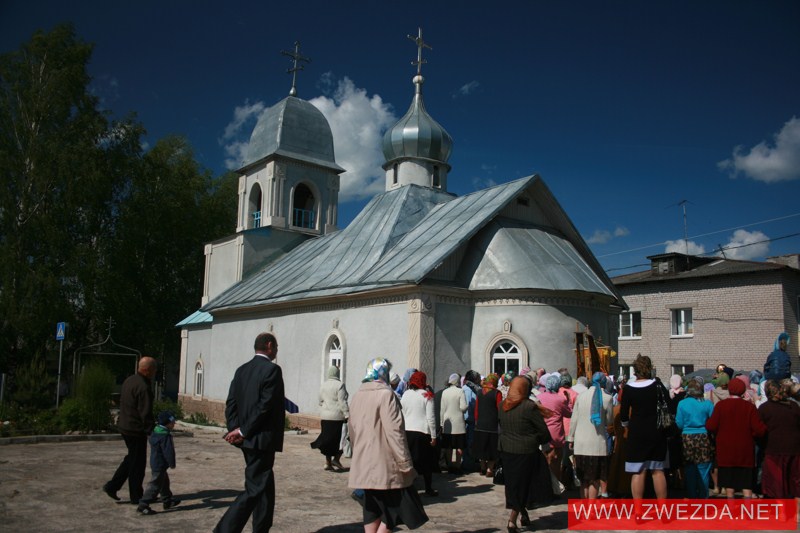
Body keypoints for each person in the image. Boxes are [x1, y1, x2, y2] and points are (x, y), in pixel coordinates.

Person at [214, 333, 285, 533]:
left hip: (247, 440)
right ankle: (225, 529)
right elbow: (265, 406)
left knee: (265, 485)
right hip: (261, 439)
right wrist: (243, 431)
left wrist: (235, 429)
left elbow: (231, 403)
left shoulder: (241, 370)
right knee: (255, 488)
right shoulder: (272, 370)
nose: (277, 350)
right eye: (276, 346)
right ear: (269, 346)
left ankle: (262, 527)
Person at [348, 358, 428, 532]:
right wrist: (405, 463)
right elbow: (395, 432)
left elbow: (351, 431)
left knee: (371, 508)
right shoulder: (386, 394)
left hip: (364, 462)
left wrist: (357, 454)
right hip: (385, 463)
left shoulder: (358, 395)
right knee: (393, 511)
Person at [498, 377, 553, 532]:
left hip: (507, 450)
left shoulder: (502, 405)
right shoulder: (529, 407)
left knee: (513, 484)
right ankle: (512, 519)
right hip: (526, 451)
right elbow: (542, 430)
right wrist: (542, 442)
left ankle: (523, 513)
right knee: (523, 485)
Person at [103, 356, 157, 504]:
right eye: (153, 369)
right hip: (135, 429)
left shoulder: (130, 380)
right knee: (137, 464)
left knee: (132, 459)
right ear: (147, 370)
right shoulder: (143, 386)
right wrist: (152, 430)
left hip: (125, 426)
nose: (155, 372)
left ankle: (112, 486)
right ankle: (136, 496)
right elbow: (145, 412)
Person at [705, 376, 766, 499]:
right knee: (746, 484)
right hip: (745, 450)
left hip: (726, 450)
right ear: (743, 390)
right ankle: (747, 511)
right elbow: (759, 429)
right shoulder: (749, 407)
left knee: (729, 485)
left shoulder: (721, 406)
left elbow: (711, 426)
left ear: (729, 389)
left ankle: (731, 510)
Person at [620, 354, 669, 500]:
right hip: (656, 431)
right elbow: (669, 406)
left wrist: (626, 425)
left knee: (638, 471)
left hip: (637, 432)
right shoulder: (658, 386)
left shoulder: (628, 388)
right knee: (657, 471)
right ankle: (663, 510)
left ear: (635, 370)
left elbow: (623, 415)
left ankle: (638, 511)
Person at [567, 372, 614, 499]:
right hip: (597, 444)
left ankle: (584, 506)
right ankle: (591, 509)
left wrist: (570, 438)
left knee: (584, 480)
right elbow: (609, 421)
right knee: (595, 478)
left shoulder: (581, 397)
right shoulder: (607, 398)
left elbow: (574, 419)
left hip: (581, 443)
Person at [758, 380, 800, 504]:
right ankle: (797, 512)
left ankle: (782, 512)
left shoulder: (765, 408)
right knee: (796, 480)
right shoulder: (793, 406)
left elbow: (760, 430)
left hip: (774, 448)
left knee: (777, 482)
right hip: (795, 447)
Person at [401, 371, 438, 496]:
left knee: (409, 460)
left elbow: (402, 412)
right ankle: (428, 488)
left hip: (407, 430)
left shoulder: (405, 394)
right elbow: (431, 418)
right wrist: (433, 436)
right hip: (422, 431)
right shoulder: (427, 395)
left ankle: (408, 487)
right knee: (426, 462)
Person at [676, 379, 715, 498]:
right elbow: (712, 422)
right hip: (704, 437)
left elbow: (679, 423)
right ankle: (704, 499)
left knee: (690, 469)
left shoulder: (682, 403)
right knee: (704, 470)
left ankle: (693, 498)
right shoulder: (707, 403)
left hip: (687, 438)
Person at [137, 410, 180, 515]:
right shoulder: (165, 436)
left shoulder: (155, 432)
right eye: (173, 421)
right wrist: (172, 463)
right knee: (155, 485)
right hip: (160, 464)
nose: (174, 423)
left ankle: (167, 500)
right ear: (168, 423)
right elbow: (168, 451)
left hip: (155, 462)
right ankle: (143, 504)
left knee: (164, 482)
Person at [311, 365, 350, 472]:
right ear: (337, 373)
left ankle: (328, 462)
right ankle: (336, 459)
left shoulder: (323, 385)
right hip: (337, 417)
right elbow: (342, 402)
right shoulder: (340, 385)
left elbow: (320, 400)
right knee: (340, 440)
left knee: (328, 440)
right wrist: (347, 414)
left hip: (325, 417)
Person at [538, 373, 572, 483]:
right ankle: (556, 486)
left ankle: (545, 484)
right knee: (556, 463)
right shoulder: (560, 399)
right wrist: (568, 400)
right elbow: (569, 413)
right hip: (556, 434)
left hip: (542, 433)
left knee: (544, 461)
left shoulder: (539, 397)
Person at [472, 373, 502, 478]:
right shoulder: (497, 393)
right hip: (492, 425)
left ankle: (483, 468)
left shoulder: (480, 392)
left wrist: (477, 420)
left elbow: (476, 410)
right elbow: (499, 409)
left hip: (480, 424)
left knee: (482, 447)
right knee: (492, 448)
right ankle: (490, 469)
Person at [440, 373, 468, 473]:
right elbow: (463, 407)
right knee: (459, 446)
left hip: (447, 423)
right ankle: (457, 466)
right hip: (458, 423)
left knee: (448, 446)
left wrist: (442, 423)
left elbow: (442, 410)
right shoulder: (460, 391)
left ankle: (450, 465)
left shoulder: (445, 392)